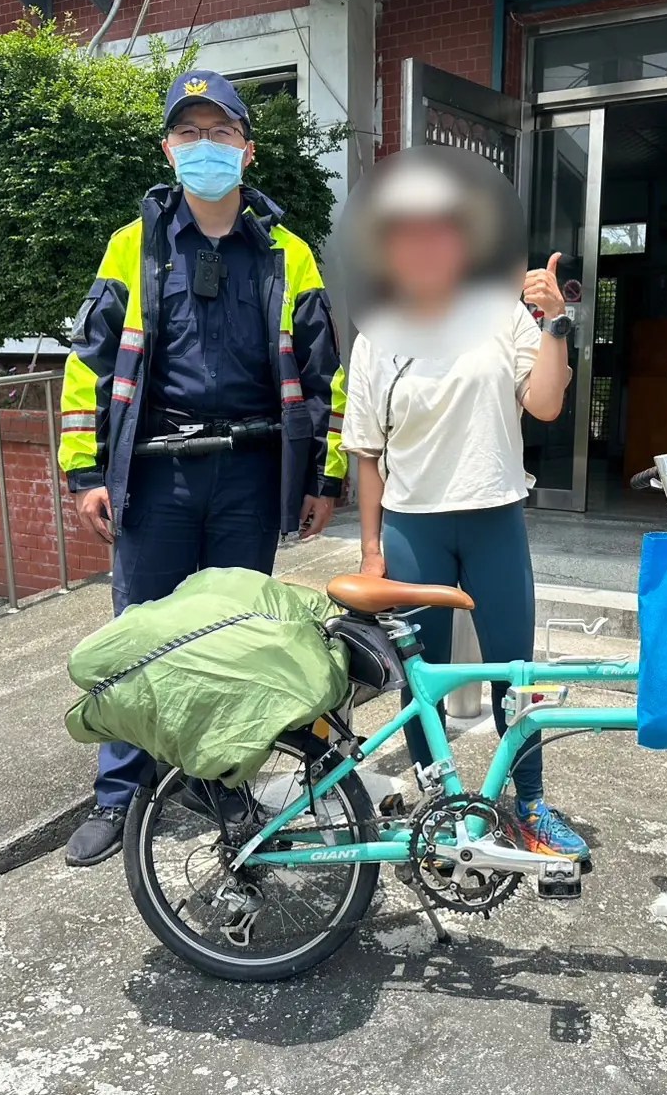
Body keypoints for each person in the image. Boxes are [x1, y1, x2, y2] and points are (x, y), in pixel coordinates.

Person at [58, 70, 347, 866]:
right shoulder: (133, 243)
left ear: (247, 152)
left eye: (220, 134)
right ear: (167, 148)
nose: (204, 148)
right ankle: (119, 793)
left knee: (233, 634)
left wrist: (325, 481)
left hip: (250, 474)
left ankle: (221, 776)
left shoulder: (289, 253)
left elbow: (326, 373)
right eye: (188, 134)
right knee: (139, 631)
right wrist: (84, 473)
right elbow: (87, 366)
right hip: (157, 474)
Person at [339, 156, 588, 862]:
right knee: (426, 680)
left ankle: (530, 801)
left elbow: (543, 403)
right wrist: (369, 549)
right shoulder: (377, 339)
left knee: (517, 673)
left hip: (493, 519)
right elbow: (364, 453)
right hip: (413, 525)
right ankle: (438, 801)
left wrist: (554, 322)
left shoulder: (503, 318)